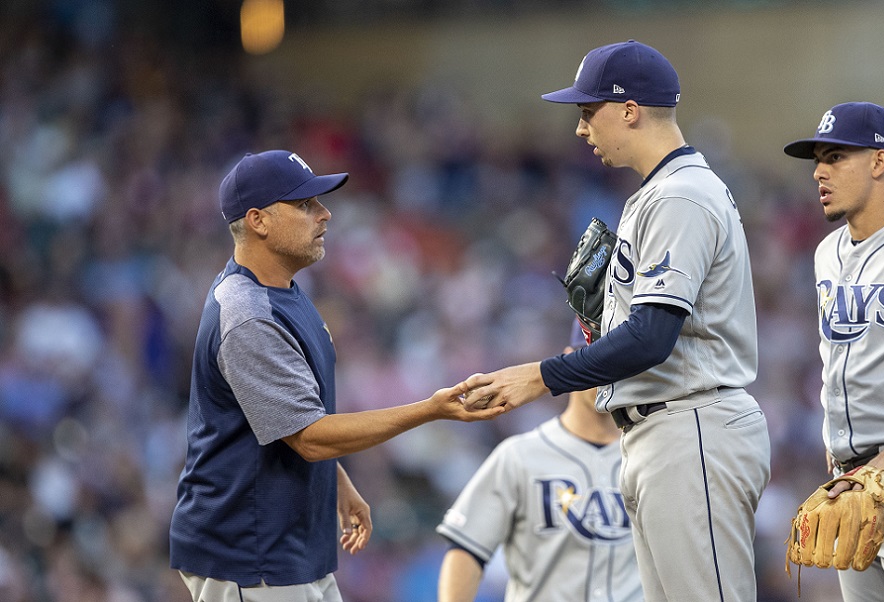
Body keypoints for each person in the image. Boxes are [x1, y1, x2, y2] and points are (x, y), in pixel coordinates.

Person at [461, 40, 771, 601]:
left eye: (588, 112)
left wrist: (539, 376)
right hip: (664, 429)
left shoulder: (682, 195)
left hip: (691, 426)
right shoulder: (658, 193)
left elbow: (651, 338)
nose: (582, 130)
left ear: (629, 110)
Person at [168, 150, 505, 602]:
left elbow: (289, 417)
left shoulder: (283, 290)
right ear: (258, 221)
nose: (324, 214)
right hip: (249, 553)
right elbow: (308, 436)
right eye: (305, 204)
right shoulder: (249, 315)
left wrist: (338, 483)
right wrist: (430, 409)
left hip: (287, 544)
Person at [783, 101, 884, 602]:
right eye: (817, 160)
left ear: (879, 161)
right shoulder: (825, 253)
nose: (819, 172)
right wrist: (841, 470)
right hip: (853, 485)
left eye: (834, 157)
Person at [436, 321, 643, 602]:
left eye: (616, 363)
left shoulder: (649, 458)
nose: (605, 373)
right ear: (571, 358)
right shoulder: (519, 455)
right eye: (595, 358)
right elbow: (466, 549)